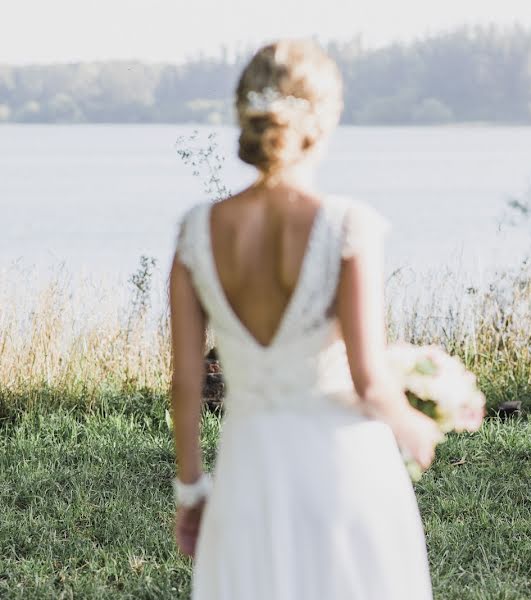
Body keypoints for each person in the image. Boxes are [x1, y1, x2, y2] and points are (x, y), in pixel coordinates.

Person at [168, 40, 442, 599]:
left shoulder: (197, 230)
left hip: (248, 471)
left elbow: (186, 383)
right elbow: (369, 382)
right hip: (343, 469)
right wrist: (417, 425)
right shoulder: (347, 226)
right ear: (324, 119)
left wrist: (191, 488)